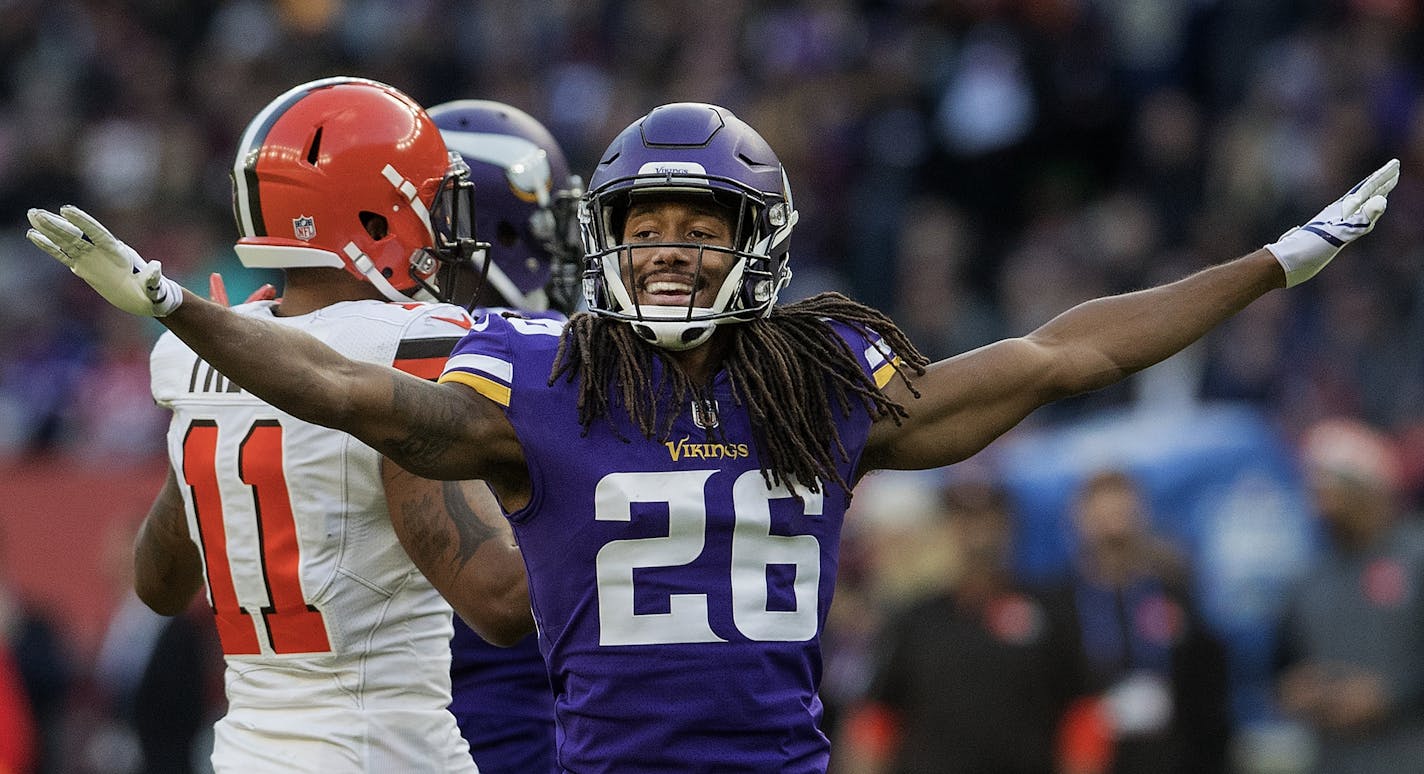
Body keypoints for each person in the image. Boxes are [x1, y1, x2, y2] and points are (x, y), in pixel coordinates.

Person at [26, 100, 1398, 772]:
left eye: (702, 227)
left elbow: (1062, 349)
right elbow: (345, 392)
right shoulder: (541, 371)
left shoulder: (819, 379)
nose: (670, 251)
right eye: (645, 227)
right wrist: (170, 300)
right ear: (603, 240)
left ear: (759, 241)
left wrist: (1275, 259)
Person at [93, 77, 533, 772]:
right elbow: (500, 602)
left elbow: (159, 586)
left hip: (246, 754)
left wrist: (225, 386)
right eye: (428, 202)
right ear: (375, 217)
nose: (443, 227)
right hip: (384, 753)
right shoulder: (409, 343)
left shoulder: (195, 354)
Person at [423, 97, 584, 774]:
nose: (568, 247)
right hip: (505, 734)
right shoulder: (525, 366)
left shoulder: (362, 362)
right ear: (497, 229)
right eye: (550, 225)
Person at [847, 478, 1090, 774]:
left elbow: (1082, 714)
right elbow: (877, 718)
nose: (978, 534)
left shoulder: (1050, 611)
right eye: (964, 520)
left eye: (988, 518)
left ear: (1008, 526)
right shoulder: (916, 619)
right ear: (947, 529)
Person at [1053, 469, 1232, 774]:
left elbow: (1209, 684)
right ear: (1079, 519)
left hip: (1173, 757)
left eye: (1122, 507)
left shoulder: (1173, 593)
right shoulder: (1061, 604)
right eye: (1101, 510)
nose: (1113, 521)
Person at [1275, 418, 1424, 773]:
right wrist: (1296, 689)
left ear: (1370, 490)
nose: (1321, 506)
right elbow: (1286, 665)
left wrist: (1392, 694)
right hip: (1334, 757)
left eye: (1331, 490)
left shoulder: (1416, 557)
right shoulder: (1310, 577)